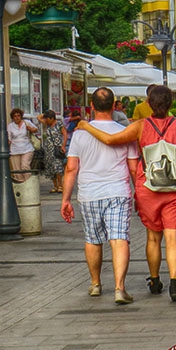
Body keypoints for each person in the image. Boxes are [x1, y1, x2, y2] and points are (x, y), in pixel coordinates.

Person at [77, 85, 176, 302]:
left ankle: (154, 279)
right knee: (173, 236)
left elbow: (110, 140)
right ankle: (175, 282)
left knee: (153, 237)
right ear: (170, 104)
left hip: (148, 189)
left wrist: (86, 125)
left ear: (148, 104)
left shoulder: (141, 126)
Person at [61, 87, 140, 305]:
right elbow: (134, 168)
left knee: (93, 239)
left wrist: (65, 199)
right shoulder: (125, 132)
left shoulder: (79, 134)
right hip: (118, 191)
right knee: (119, 238)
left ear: (92, 106)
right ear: (114, 106)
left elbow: (71, 169)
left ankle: (95, 283)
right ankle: (119, 288)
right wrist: (139, 194)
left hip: (89, 193)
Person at [38, 109, 67, 193]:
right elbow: (38, 117)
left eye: (48, 118)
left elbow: (65, 134)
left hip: (57, 148)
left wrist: (63, 145)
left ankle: (60, 185)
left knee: (58, 167)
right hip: (48, 149)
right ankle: (55, 186)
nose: (46, 120)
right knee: (50, 168)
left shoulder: (59, 124)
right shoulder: (47, 125)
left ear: (52, 118)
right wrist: (45, 114)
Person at [7, 108, 38, 183]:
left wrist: (30, 129)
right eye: (15, 116)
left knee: (25, 166)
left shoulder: (26, 122)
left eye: (18, 116)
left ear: (21, 116)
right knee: (17, 169)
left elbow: (36, 129)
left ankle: (28, 183)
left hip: (27, 148)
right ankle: (20, 184)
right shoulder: (10, 126)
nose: (17, 117)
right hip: (15, 150)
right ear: (13, 117)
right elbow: (9, 138)